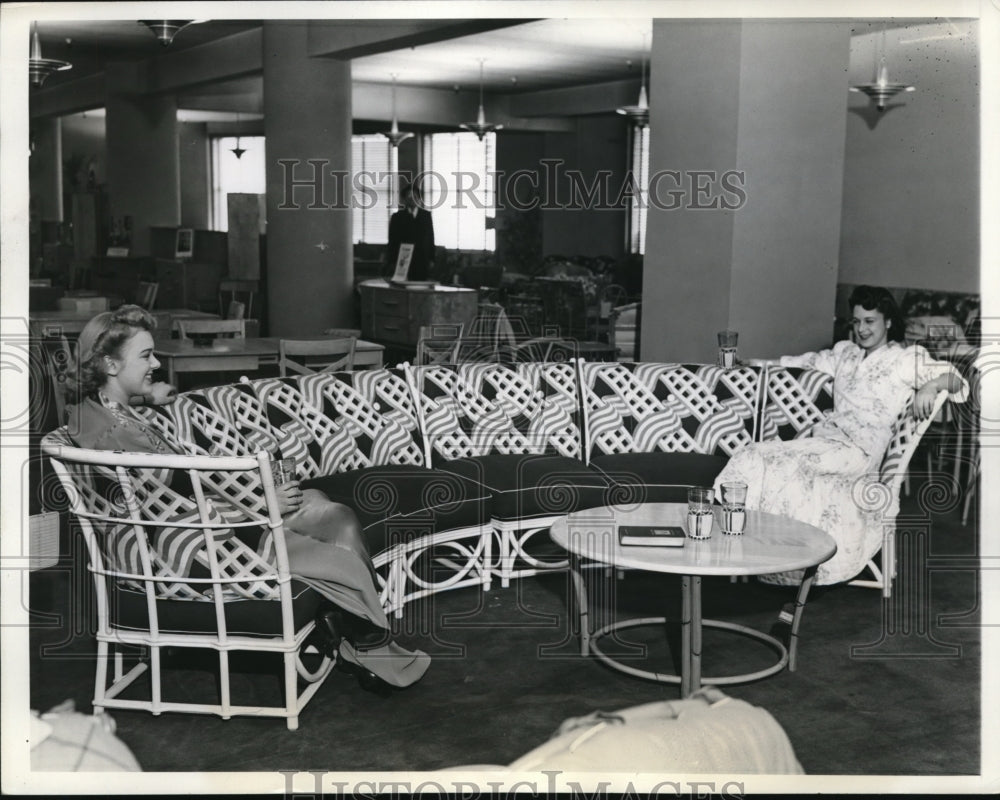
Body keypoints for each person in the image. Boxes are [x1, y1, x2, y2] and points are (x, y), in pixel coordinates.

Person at [63, 305, 429, 692]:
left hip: (191, 528)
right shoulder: (115, 436)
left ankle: (362, 638)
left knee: (326, 509)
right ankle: (368, 641)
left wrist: (149, 395)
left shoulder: (98, 415)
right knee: (337, 523)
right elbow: (180, 495)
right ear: (110, 365)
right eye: (146, 355)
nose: (156, 362)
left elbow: (165, 482)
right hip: (196, 550)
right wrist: (264, 502)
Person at [714, 285, 968, 586]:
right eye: (857, 321)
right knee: (756, 454)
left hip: (861, 449)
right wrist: (755, 364)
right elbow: (798, 362)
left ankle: (788, 562)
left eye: (870, 321)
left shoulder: (904, 359)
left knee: (787, 463)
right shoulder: (844, 353)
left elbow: (955, 378)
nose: (861, 329)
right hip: (828, 439)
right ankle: (751, 550)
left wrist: (930, 385)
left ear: (887, 322)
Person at [385, 182, 435, 281]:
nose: (412, 199)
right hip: (403, 260)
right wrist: (392, 261)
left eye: (415, 196)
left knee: (420, 289)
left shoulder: (426, 216)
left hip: (422, 260)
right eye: (409, 196)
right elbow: (392, 241)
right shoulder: (397, 217)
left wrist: (432, 259)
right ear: (404, 199)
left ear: (419, 198)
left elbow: (431, 238)